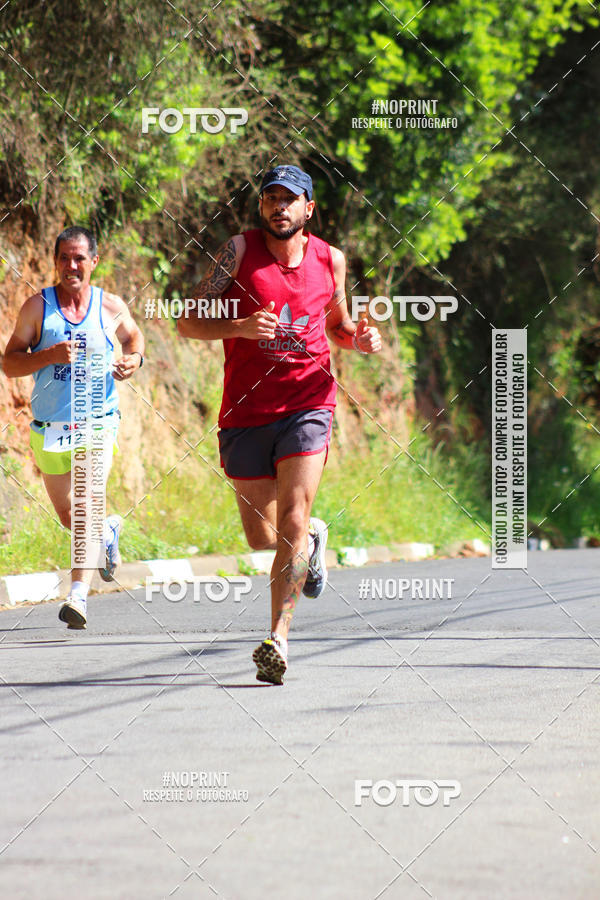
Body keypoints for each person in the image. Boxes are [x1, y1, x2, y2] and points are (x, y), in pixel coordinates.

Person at [178, 164, 381, 684]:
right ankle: (313, 540)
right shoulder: (238, 252)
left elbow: (337, 326)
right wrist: (240, 327)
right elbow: (187, 322)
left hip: (308, 404)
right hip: (246, 412)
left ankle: (278, 638)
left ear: (308, 208)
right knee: (261, 537)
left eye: (290, 199)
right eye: (271, 197)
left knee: (291, 518)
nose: (279, 206)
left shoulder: (330, 259)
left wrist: (358, 339)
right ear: (261, 206)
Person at [2, 226, 144, 629]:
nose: (71, 265)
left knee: (85, 502)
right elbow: (9, 363)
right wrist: (48, 354)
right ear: (55, 261)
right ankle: (107, 532)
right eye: (64, 258)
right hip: (49, 427)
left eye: (79, 258)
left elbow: (134, 339)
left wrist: (134, 361)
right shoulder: (37, 308)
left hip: (97, 422)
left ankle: (78, 595)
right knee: (71, 516)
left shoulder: (110, 306)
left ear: (94, 261)